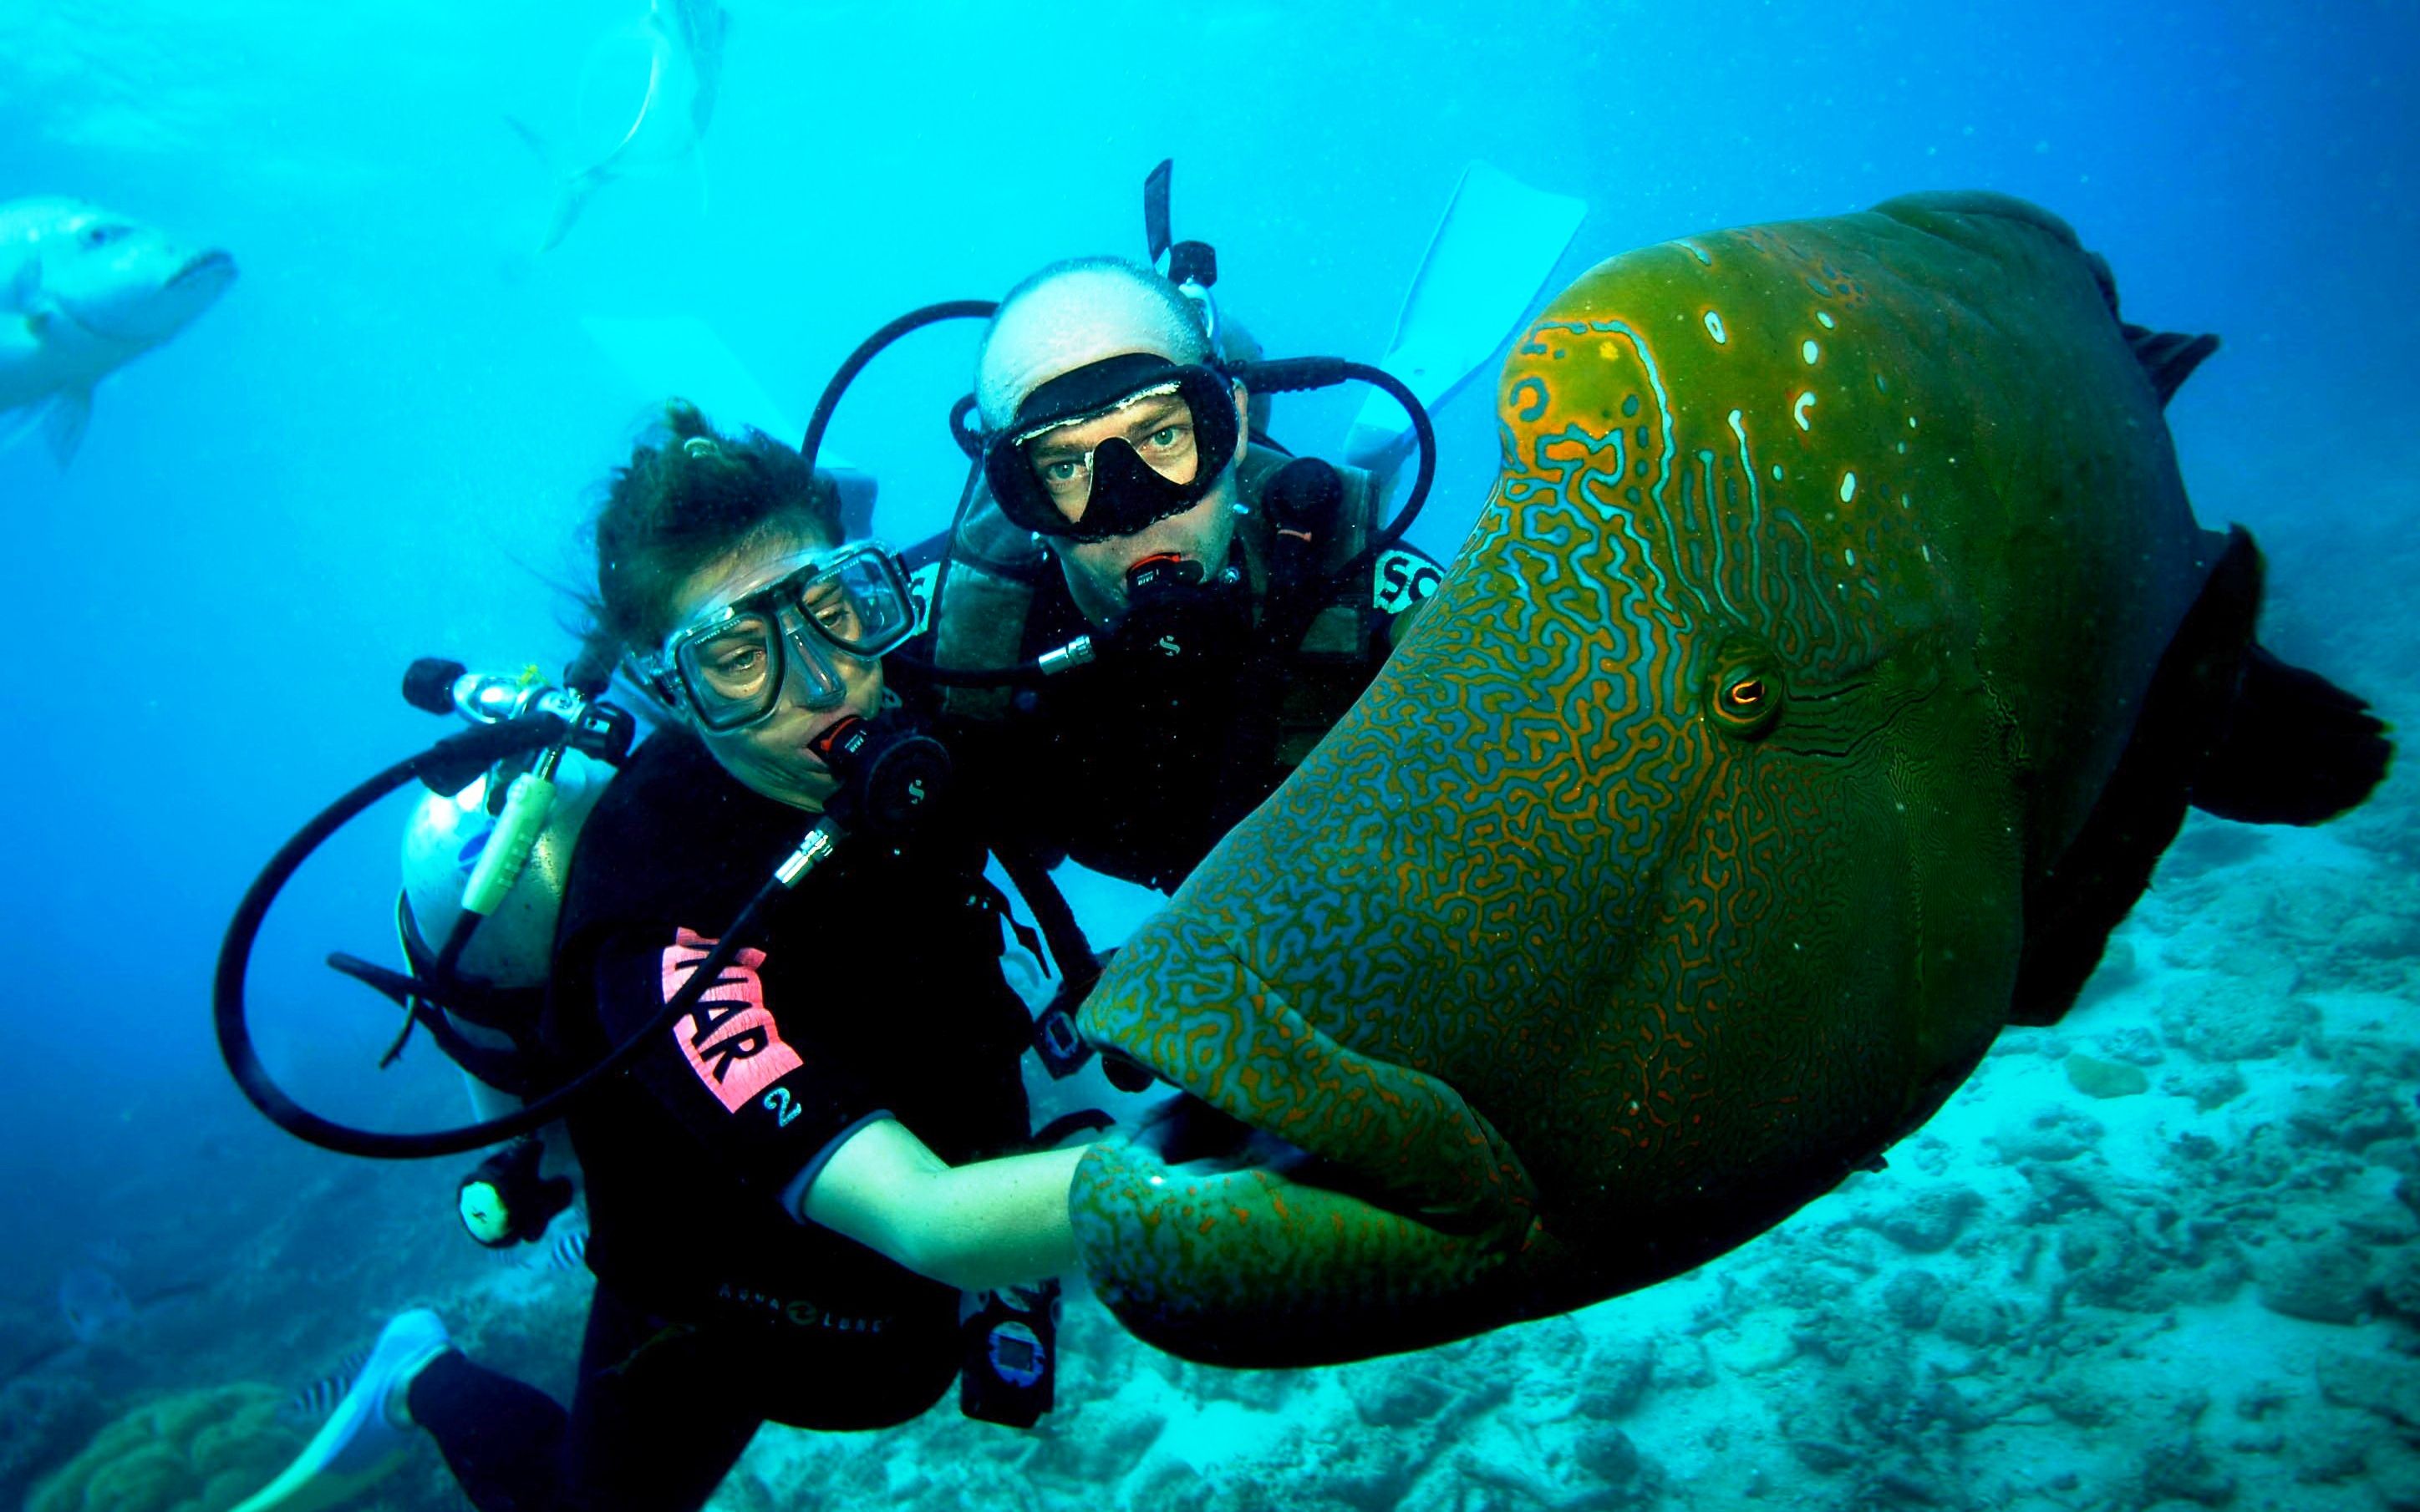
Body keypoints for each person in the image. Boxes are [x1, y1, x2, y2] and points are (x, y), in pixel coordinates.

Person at [237, 403, 1085, 1512]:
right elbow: (928, 1215)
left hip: (925, 1263)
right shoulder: (656, 921)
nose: (826, 684)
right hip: (713, 1297)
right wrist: (1210, 1177)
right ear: (673, 688)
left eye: (834, 608)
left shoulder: (926, 705)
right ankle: (424, 1374)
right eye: (739, 657)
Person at [908, 256, 1444, 898]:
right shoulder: (955, 637)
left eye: (1162, 433)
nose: (1131, 507)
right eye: (1063, 466)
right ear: (1018, 497)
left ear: (1233, 425)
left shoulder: (1368, 591)